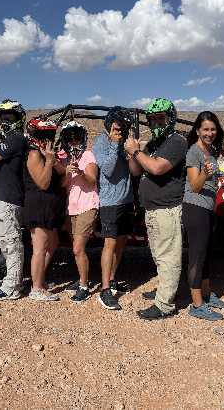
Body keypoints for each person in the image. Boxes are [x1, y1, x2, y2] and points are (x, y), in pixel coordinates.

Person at [124, 98, 187, 320]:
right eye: (152, 119)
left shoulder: (176, 141)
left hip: (167, 208)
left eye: (160, 118)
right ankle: (164, 291)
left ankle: (164, 305)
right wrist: (132, 152)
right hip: (153, 209)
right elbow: (136, 171)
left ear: (170, 118)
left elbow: (158, 168)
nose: (156, 123)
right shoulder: (154, 143)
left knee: (168, 257)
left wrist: (137, 152)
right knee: (159, 255)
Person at [183, 111, 224, 321]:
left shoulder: (210, 151)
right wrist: (205, 173)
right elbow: (194, 186)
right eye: (205, 129)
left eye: (213, 129)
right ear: (197, 131)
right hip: (195, 207)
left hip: (208, 208)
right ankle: (197, 304)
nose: (210, 133)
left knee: (207, 253)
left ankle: (207, 294)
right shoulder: (194, 152)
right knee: (197, 255)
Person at [91, 109, 139, 310]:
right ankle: (104, 289)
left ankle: (112, 279)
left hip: (126, 200)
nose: (119, 129)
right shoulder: (101, 142)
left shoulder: (126, 141)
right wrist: (114, 144)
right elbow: (108, 170)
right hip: (110, 201)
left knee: (120, 243)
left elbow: (134, 172)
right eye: (117, 125)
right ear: (109, 124)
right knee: (109, 245)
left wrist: (133, 152)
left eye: (123, 126)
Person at [0, 99, 28, 301]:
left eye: (8, 116)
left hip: (9, 199)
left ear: (18, 118)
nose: (4, 120)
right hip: (2, 197)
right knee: (5, 240)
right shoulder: (7, 141)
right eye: (1, 117)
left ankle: (12, 287)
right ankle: (12, 279)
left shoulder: (16, 139)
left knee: (11, 243)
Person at [24, 117, 67, 301]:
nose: (48, 138)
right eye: (44, 134)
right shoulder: (34, 154)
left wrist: (53, 160)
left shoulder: (46, 152)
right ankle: (36, 288)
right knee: (40, 248)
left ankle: (39, 278)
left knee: (53, 243)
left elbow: (63, 172)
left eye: (51, 134)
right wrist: (49, 162)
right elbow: (42, 183)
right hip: (38, 205)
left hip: (50, 205)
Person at [57, 121, 99, 302]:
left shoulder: (88, 155)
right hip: (72, 207)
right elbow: (62, 185)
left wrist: (80, 172)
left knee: (77, 248)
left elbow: (92, 180)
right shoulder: (65, 159)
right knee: (76, 248)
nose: (74, 142)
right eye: (70, 139)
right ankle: (82, 278)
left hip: (87, 205)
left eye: (77, 138)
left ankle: (84, 286)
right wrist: (67, 171)